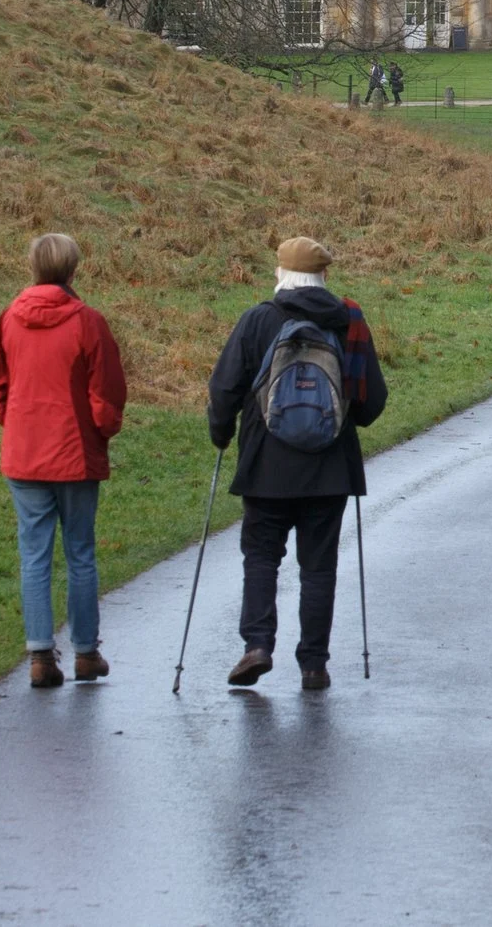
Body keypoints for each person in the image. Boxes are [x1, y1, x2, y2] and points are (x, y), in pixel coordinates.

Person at [206, 237, 388, 690]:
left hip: (265, 467)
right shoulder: (348, 320)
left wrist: (221, 433)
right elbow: (371, 403)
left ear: (281, 273)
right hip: (330, 470)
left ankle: (257, 646)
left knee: (261, 557)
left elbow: (224, 388)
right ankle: (313, 664)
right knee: (318, 567)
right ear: (324, 274)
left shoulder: (257, 320)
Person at [0, 232, 127, 689]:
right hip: (75, 454)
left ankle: (41, 655)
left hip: (26, 455)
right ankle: (85, 652)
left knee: (34, 556)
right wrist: (101, 430)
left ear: (33, 266)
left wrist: (19, 425)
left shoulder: (10, 318)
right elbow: (107, 393)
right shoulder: (88, 321)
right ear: (73, 268)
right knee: (80, 553)